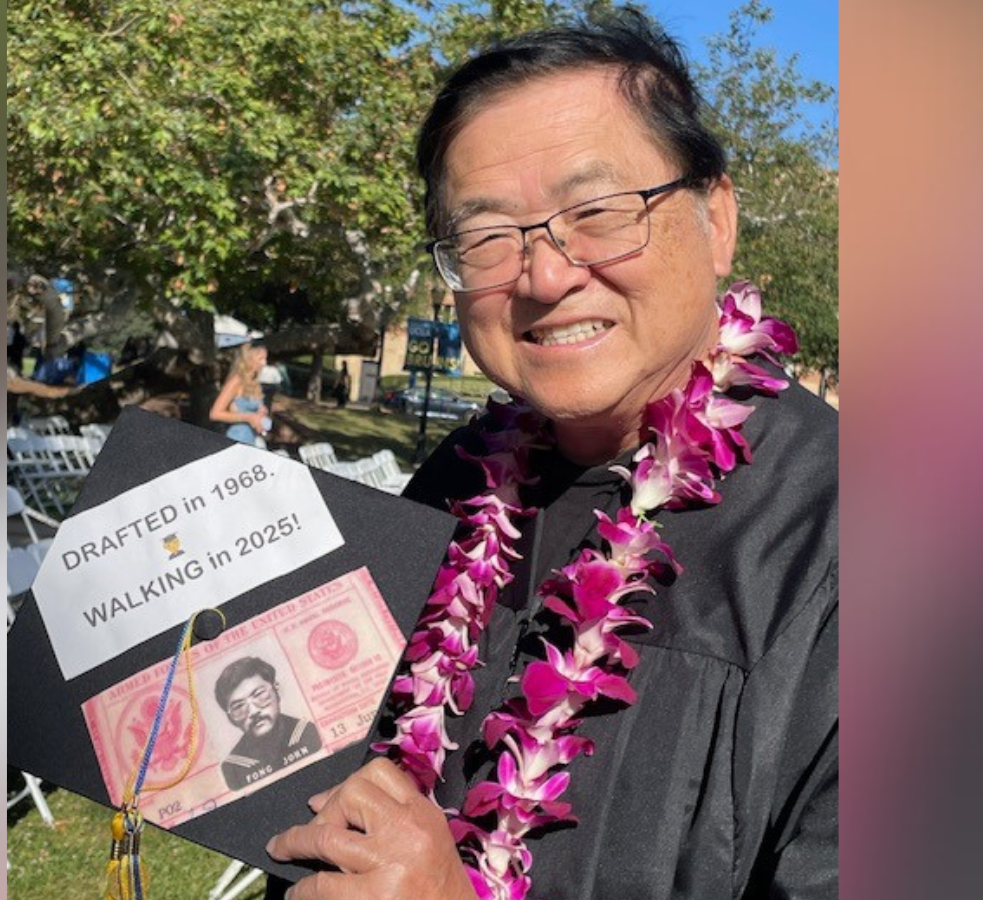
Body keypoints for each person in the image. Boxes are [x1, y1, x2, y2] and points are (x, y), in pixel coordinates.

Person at [266, 13, 837, 900]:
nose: (543, 276)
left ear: (717, 218)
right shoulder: (450, 486)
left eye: (598, 213)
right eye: (488, 237)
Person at [214, 657, 324, 791]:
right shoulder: (233, 768)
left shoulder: (308, 732)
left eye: (259, 695)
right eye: (239, 707)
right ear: (230, 718)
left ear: (276, 690)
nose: (253, 712)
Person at [209, 343, 272, 446]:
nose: (264, 363)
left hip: (251, 440)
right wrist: (248, 417)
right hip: (237, 439)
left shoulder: (254, 382)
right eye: (260, 359)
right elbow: (215, 414)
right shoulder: (236, 381)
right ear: (249, 358)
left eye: (265, 359)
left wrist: (260, 412)